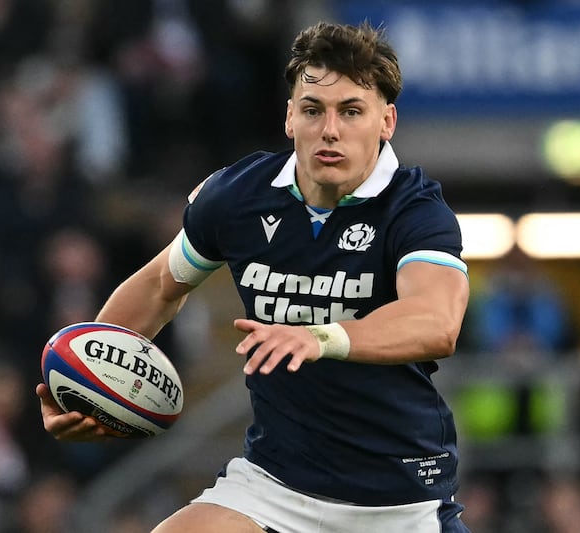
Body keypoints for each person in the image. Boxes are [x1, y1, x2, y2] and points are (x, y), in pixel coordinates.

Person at [37, 21, 470, 533]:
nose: (330, 130)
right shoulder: (239, 197)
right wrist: (89, 381)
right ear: (290, 117)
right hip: (274, 485)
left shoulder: (416, 209)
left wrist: (320, 338)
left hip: (398, 500)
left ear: (386, 121)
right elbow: (159, 286)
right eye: (313, 110)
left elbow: (436, 322)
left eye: (351, 111)